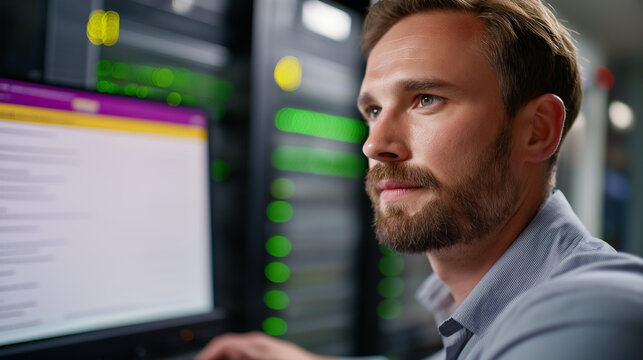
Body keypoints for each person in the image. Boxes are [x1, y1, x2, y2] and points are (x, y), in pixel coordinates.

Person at [196, 0, 643, 359]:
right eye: (373, 111)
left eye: (425, 99)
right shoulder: (487, 316)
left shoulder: (596, 312)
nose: (374, 145)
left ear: (537, 129)